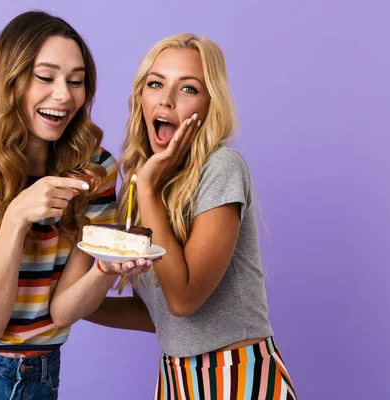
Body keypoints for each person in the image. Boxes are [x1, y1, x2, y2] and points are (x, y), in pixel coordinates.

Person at [0, 11, 150, 400]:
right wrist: (17, 216)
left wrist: (105, 267)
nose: (64, 95)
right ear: (12, 80)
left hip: (41, 376)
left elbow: (64, 310)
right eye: (45, 77)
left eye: (76, 81)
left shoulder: (95, 170)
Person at [87, 34, 297, 399]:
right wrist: (71, 305)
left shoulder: (221, 168)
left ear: (209, 105)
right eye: (155, 84)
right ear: (141, 98)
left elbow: (184, 301)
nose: (166, 99)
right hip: (175, 380)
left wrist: (148, 188)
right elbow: (158, 313)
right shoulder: (143, 186)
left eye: (187, 88)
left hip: (239, 377)